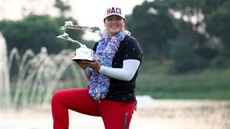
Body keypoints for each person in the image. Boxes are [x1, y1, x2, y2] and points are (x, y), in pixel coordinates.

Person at [51, 6, 143, 129]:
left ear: (124, 22)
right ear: (105, 23)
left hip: (118, 101)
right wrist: (84, 67)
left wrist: (100, 68)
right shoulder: (99, 44)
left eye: (117, 19)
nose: (114, 22)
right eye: (110, 19)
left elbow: (128, 75)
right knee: (59, 99)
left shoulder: (130, 43)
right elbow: (92, 77)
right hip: (96, 97)